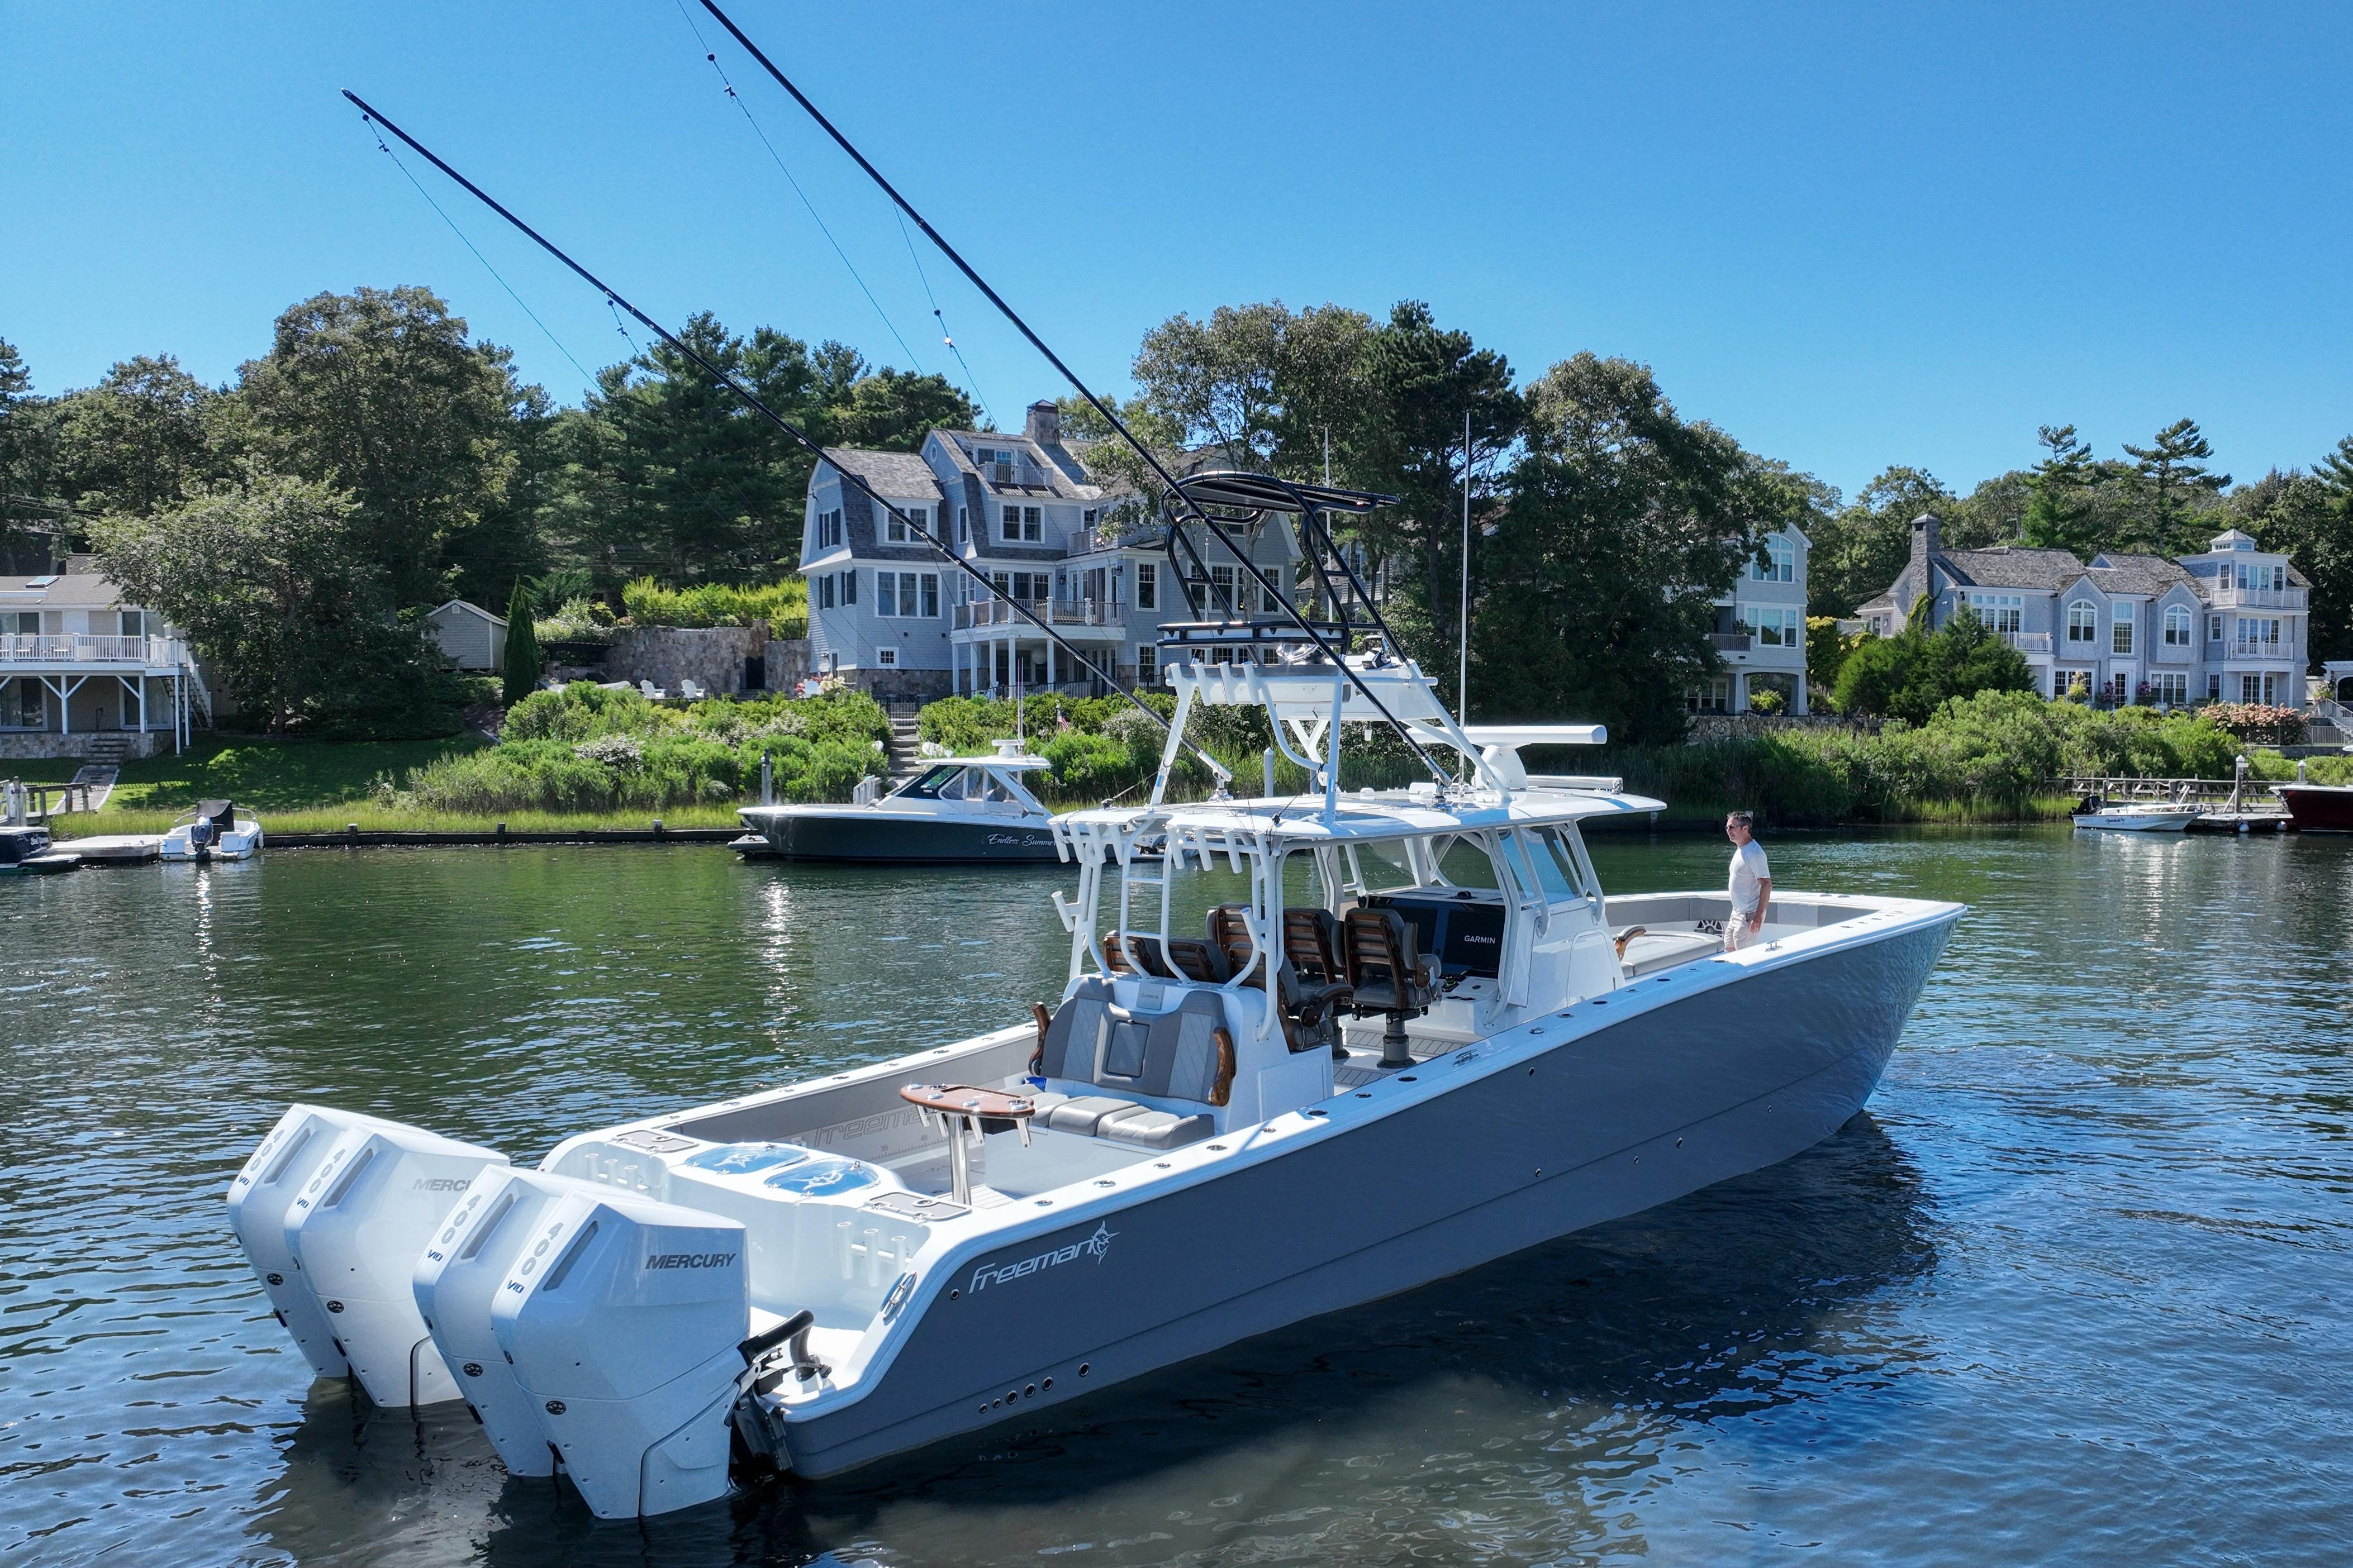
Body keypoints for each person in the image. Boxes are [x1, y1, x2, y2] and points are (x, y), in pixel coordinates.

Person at [1723, 811, 1771, 951]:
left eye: (1732, 827)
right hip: (1737, 913)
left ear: (1745, 829)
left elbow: (1767, 884)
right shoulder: (1741, 850)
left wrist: (1758, 915)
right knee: (1729, 948)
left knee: (1744, 956)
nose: (1728, 831)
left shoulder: (1755, 853)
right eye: (1727, 827)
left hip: (1749, 914)